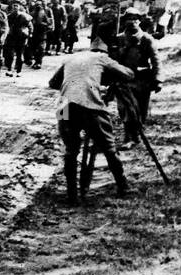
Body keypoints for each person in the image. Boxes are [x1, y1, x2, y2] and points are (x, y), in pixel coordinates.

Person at [48, 30, 135, 205]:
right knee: (109, 145)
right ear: (104, 52)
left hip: (63, 106)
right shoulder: (101, 58)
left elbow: (53, 83)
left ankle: (72, 194)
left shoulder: (71, 58)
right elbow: (128, 74)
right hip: (90, 105)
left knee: (70, 150)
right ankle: (123, 185)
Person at [113, 8, 161, 146]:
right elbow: (112, 60)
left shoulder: (147, 39)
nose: (132, 21)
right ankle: (129, 137)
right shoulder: (119, 39)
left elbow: (156, 60)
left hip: (142, 80)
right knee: (125, 109)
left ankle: (137, 134)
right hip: (123, 81)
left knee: (140, 110)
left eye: (135, 18)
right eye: (129, 18)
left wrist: (158, 80)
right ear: (124, 21)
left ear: (140, 21)